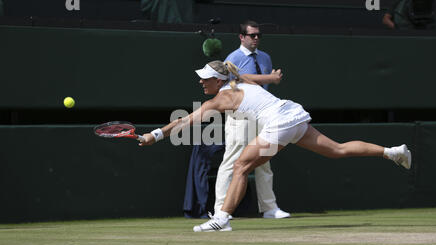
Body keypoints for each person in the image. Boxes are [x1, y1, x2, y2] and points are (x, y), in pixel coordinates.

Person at [138, 60, 412, 232]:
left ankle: (221, 219)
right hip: (291, 114)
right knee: (336, 150)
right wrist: (271, 79)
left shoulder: (221, 99)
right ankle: (393, 152)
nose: (200, 81)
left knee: (240, 165)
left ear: (218, 81)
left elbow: (186, 120)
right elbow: (255, 80)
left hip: (279, 121)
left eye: (204, 77)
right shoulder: (239, 80)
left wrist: (155, 135)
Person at [215, 20, 290, 219]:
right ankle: (220, 210)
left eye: (259, 35)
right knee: (232, 161)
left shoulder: (265, 57)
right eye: (252, 35)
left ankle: (269, 208)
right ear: (242, 37)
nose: (256, 38)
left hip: (263, 115)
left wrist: (271, 80)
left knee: (264, 161)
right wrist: (270, 79)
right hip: (240, 114)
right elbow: (237, 80)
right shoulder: (233, 58)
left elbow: (263, 84)